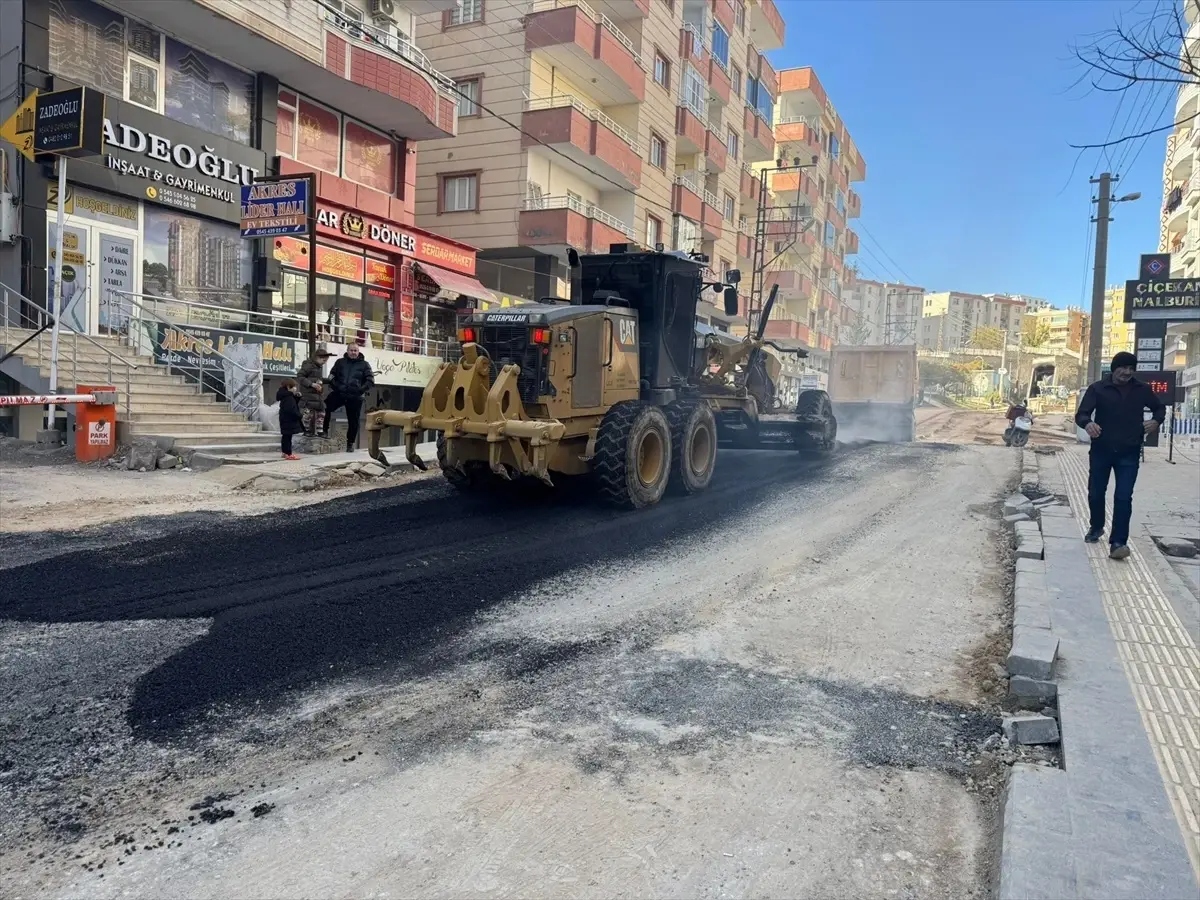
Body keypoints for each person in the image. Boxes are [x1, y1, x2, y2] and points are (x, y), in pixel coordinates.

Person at [1074, 351, 1166, 559]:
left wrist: (1156, 421)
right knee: (1096, 492)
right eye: (1123, 367)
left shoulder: (1142, 390)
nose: (1127, 372)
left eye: (1131, 368)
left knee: (1123, 497)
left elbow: (1159, 407)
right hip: (1101, 451)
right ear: (1114, 368)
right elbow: (1082, 413)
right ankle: (1096, 526)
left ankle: (1118, 543)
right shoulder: (1098, 389)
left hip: (1129, 452)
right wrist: (1088, 423)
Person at [323, 343, 375, 452]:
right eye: (351, 350)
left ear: (358, 351)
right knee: (324, 407)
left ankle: (350, 443)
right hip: (339, 393)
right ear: (347, 351)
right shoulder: (340, 362)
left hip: (355, 397)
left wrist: (360, 390)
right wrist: (336, 387)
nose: (353, 352)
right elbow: (331, 376)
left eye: (355, 350)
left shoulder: (364, 364)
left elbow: (370, 380)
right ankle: (324, 431)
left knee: (353, 421)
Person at [296, 348, 331, 437]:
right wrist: (312, 384)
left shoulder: (318, 367)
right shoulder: (308, 366)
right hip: (308, 396)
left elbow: (317, 379)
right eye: (323, 360)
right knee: (308, 414)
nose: (324, 362)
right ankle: (307, 430)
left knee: (321, 413)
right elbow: (300, 377)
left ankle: (319, 430)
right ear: (317, 357)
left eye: (325, 361)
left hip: (317, 395)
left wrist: (327, 381)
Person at [277, 378, 304, 460]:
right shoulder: (288, 397)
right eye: (294, 387)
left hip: (284, 419)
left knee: (285, 436)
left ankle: (285, 453)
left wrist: (297, 398)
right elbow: (292, 409)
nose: (295, 388)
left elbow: (291, 405)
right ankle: (289, 454)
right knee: (288, 437)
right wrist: (300, 415)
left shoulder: (285, 396)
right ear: (288, 387)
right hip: (289, 420)